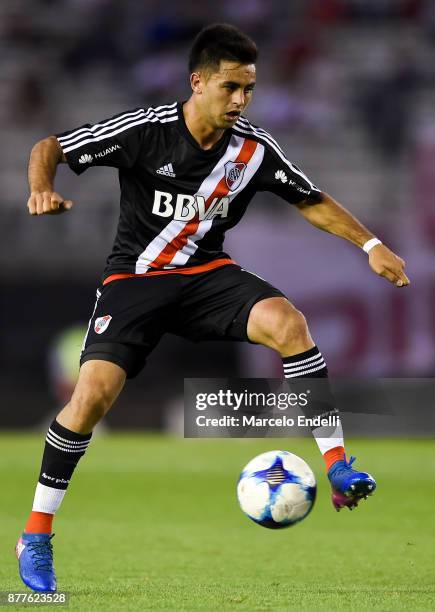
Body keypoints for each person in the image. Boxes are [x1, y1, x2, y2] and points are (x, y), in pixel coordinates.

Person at [17, 23, 409, 592]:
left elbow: (312, 200)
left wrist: (371, 246)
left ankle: (338, 466)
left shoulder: (252, 148)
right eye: (231, 87)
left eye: (249, 88)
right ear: (197, 82)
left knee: (289, 323)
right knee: (91, 396)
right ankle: (36, 533)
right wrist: (40, 187)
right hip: (137, 279)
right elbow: (47, 147)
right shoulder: (144, 132)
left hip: (207, 277)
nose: (241, 100)